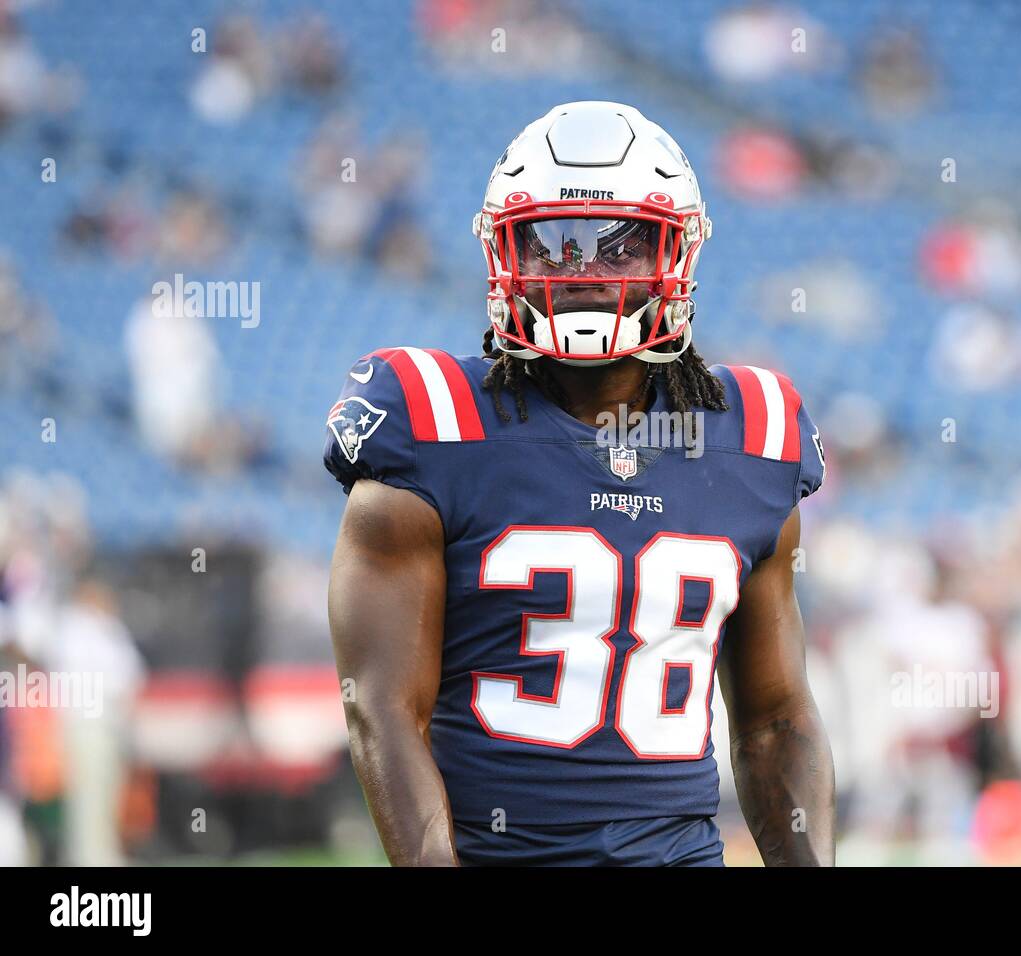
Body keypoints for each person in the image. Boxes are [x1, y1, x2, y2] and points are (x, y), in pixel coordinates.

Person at [324, 102, 834, 866]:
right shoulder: (431, 421)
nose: (585, 272)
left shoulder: (753, 435)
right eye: (552, 243)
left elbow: (773, 721)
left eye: (621, 246)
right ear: (503, 251)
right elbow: (385, 714)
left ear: (679, 253)